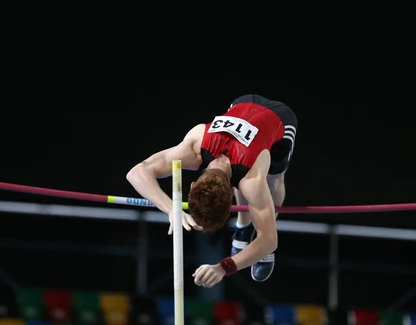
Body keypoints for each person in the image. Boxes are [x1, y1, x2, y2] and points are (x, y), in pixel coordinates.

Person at [126, 94, 297, 288]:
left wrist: (223, 268)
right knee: (248, 181)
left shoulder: (252, 179)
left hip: (281, 119)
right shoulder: (195, 147)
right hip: (243, 101)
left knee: (274, 181)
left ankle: (245, 230)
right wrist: (171, 209)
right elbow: (136, 173)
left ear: (233, 193)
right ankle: (242, 228)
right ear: (192, 186)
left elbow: (269, 240)